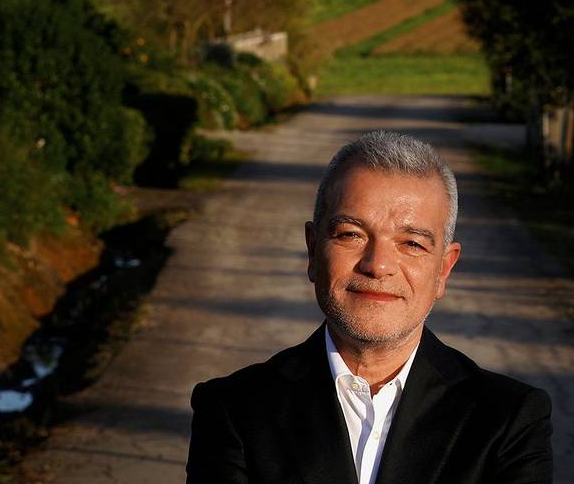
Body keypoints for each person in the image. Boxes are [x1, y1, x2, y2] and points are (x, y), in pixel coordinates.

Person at [188, 131, 553, 483]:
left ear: (444, 268)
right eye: (351, 235)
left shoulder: (508, 420)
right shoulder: (234, 410)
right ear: (314, 251)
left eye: (411, 244)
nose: (377, 265)